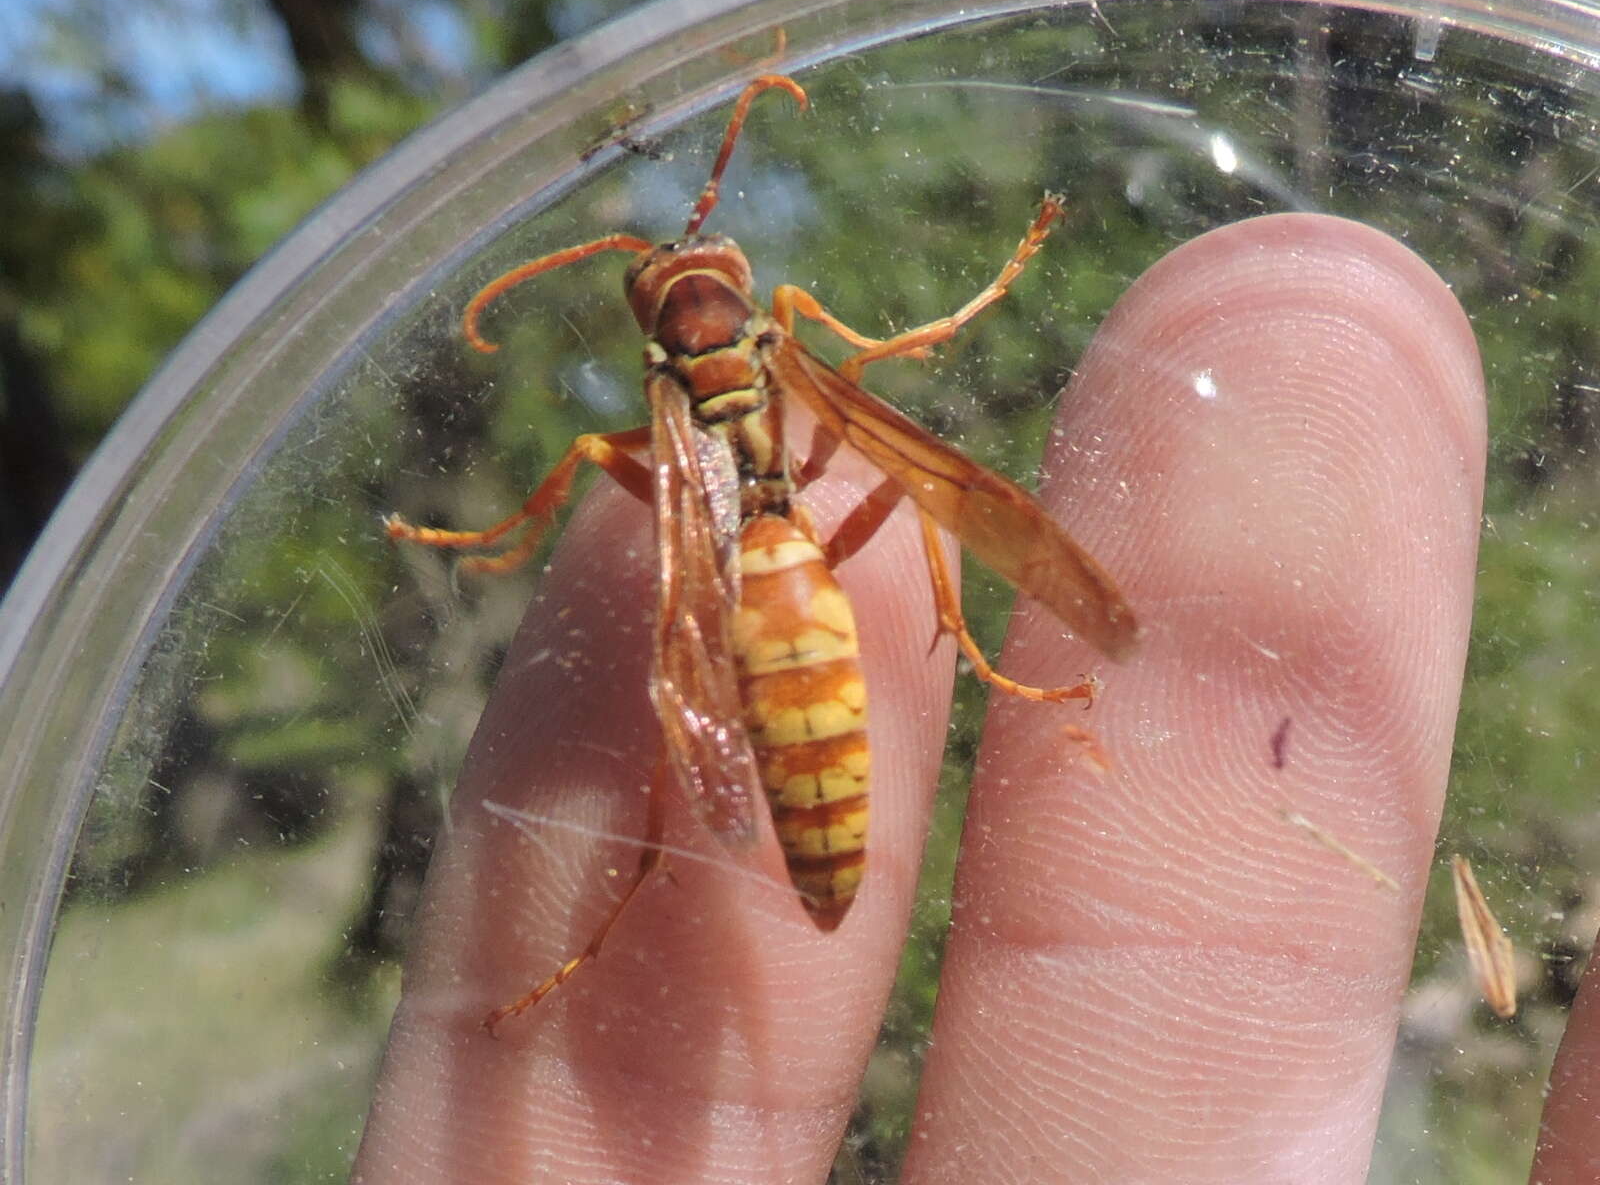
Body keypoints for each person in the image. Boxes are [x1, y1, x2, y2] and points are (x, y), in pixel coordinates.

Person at [352, 212, 1594, 1182]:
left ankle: (628, 891)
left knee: (689, 643)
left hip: (754, 589)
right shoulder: (784, 343)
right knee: (907, 500)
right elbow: (897, 387)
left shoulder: (689, 397)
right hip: (789, 581)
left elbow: (667, 455)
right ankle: (945, 675)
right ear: (724, 310)